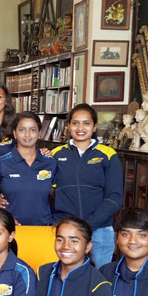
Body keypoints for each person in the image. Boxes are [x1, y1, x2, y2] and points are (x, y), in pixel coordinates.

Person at [51, 103, 123, 267]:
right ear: (68, 126)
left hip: (100, 230)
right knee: (65, 275)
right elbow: (45, 190)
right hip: (66, 230)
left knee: (100, 276)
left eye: (86, 123)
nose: (80, 128)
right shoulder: (56, 154)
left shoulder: (108, 155)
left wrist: (88, 225)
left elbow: (115, 197)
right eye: (75, 123)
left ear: (94, 126)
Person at [0, 112, 57, 225]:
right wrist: (2, 218)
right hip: (12, 228)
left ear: (40, 133)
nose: (27, 134)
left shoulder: (51, 163)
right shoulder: (1, 163)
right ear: (14, 133)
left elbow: (57, 197)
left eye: (33, 130)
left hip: (43, 228)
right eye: (22, 130)